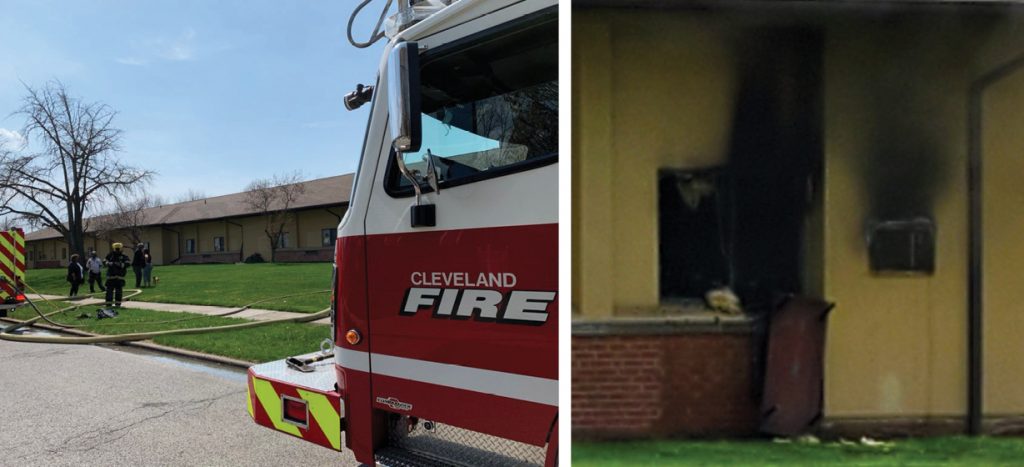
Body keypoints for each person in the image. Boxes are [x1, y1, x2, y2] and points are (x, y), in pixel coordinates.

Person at [104, 243, 131, 308]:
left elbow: (128, 263)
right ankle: (108, 304)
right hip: (111, 277)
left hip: (119, 277)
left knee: (118, 292)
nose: (117, 250)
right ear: (114, 248)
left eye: (118, 249)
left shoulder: (124, 256)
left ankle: (118, 304)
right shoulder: (110, 255)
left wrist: (121, 264)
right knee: (109, 291)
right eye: (116, 249)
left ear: (121, 248)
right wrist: (108, 263)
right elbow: (104, 260)